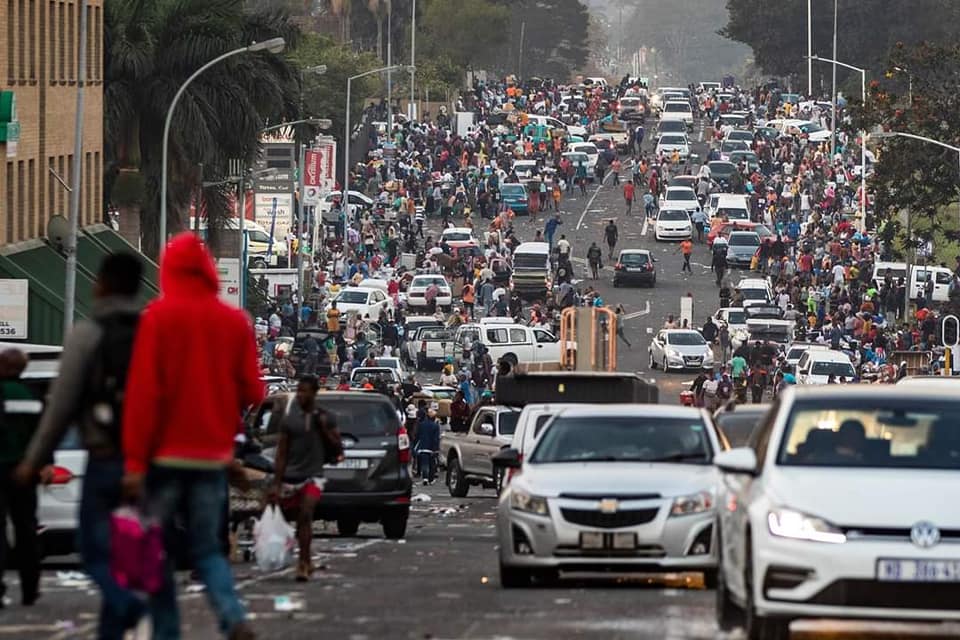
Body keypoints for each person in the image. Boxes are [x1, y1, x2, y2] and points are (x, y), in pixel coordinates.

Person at [120, 233, 264, 640]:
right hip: (212, 457)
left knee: (157, 553)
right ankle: (232, 616)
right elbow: (254, 391)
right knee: (207, 549)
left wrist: (133, 462)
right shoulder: (234, 321)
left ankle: (167, 632)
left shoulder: (156, 319)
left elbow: (142, 397)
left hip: (163, 458)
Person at [18, 252, 144, 638]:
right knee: (134, 557)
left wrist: (33, 460)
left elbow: (61, 407)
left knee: (93, 552)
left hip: (105, 460)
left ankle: (127, 604)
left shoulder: (86, 336)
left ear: (103, 283)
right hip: (148, 464)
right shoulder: (154, 337)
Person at [271, 376, 343, 581]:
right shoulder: (290, 420)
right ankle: (303, 557)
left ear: (314, 393)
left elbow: (338, 448)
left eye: (305, 391)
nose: (300, 395)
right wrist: (276, 483)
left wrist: (322, 429)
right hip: (291, 476)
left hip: (313, 476)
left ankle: (303, 561)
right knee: (292, 518)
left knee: (305, 513)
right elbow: (281, 453)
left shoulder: (325, 417)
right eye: (298, 391)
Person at [0, 349, 47, 611]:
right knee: (26, 528)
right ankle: (31, 588)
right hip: (24, 470)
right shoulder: (33, 396)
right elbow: (43, 433)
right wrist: (43, 463)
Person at [415, 408, 441, 484]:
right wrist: (436, 448)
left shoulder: (421, 424)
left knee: (424, 463)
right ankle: (431, 479)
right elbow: (436, 438)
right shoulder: (435, 426)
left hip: (422, 446)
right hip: (431, 447)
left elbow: (417, 435)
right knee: (432, 463)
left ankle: (425, 478)